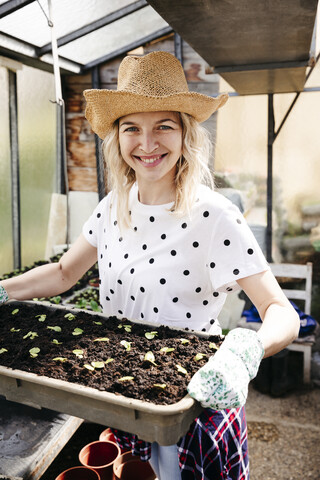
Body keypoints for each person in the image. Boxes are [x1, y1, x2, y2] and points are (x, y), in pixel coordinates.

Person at [0, 51, 299, 480]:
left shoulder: (213, 216)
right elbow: (64, 274)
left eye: (164, 126)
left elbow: (281, 312)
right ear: (117, 139)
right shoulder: (111, 209)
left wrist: (247, 351)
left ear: (185, 134)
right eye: (132, 129)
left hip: (195, 409)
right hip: (131, 404)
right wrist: (4, 289)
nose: (147, 143)